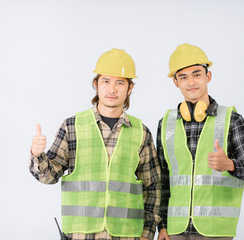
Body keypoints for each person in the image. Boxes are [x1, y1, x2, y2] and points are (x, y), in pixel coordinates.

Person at [29, 48, 161, 240]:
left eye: (120, 83)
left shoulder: (141, 132)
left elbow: (153, 187)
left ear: (129, 88)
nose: (112, 89)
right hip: (80, 235)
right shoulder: (72, 126)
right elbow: (49, 177)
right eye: (106, 81)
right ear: (96, 84)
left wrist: (146, 235)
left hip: (126, 235)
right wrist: (37, 154)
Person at [157, 43, 244, 240]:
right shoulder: (166, 124)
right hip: (176, 231)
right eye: (183, 77)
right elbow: (162, 180)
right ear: (175, 82)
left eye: (197, 74)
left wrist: (230, 165)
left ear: (208, 76)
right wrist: (162, 226)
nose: (191, 82)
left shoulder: (231, 119)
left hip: (216, 231)